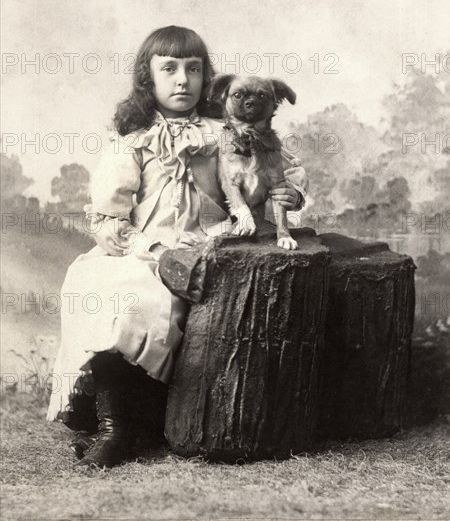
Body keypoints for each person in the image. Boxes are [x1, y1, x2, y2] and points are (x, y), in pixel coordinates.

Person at [47, 25, 308, 468]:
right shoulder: (134, 135)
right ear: (148, 77)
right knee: (102, 283)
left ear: (208, 77)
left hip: (211, 243)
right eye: (169, 69)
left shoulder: (226, 130)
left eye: (194, 69)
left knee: (158, 300)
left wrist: (291, 195)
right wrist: (150, 250)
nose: (183, 80)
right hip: (144, 247)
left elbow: (284, 168)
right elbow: (108, 215)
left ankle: (135, 426)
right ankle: (113, 424)